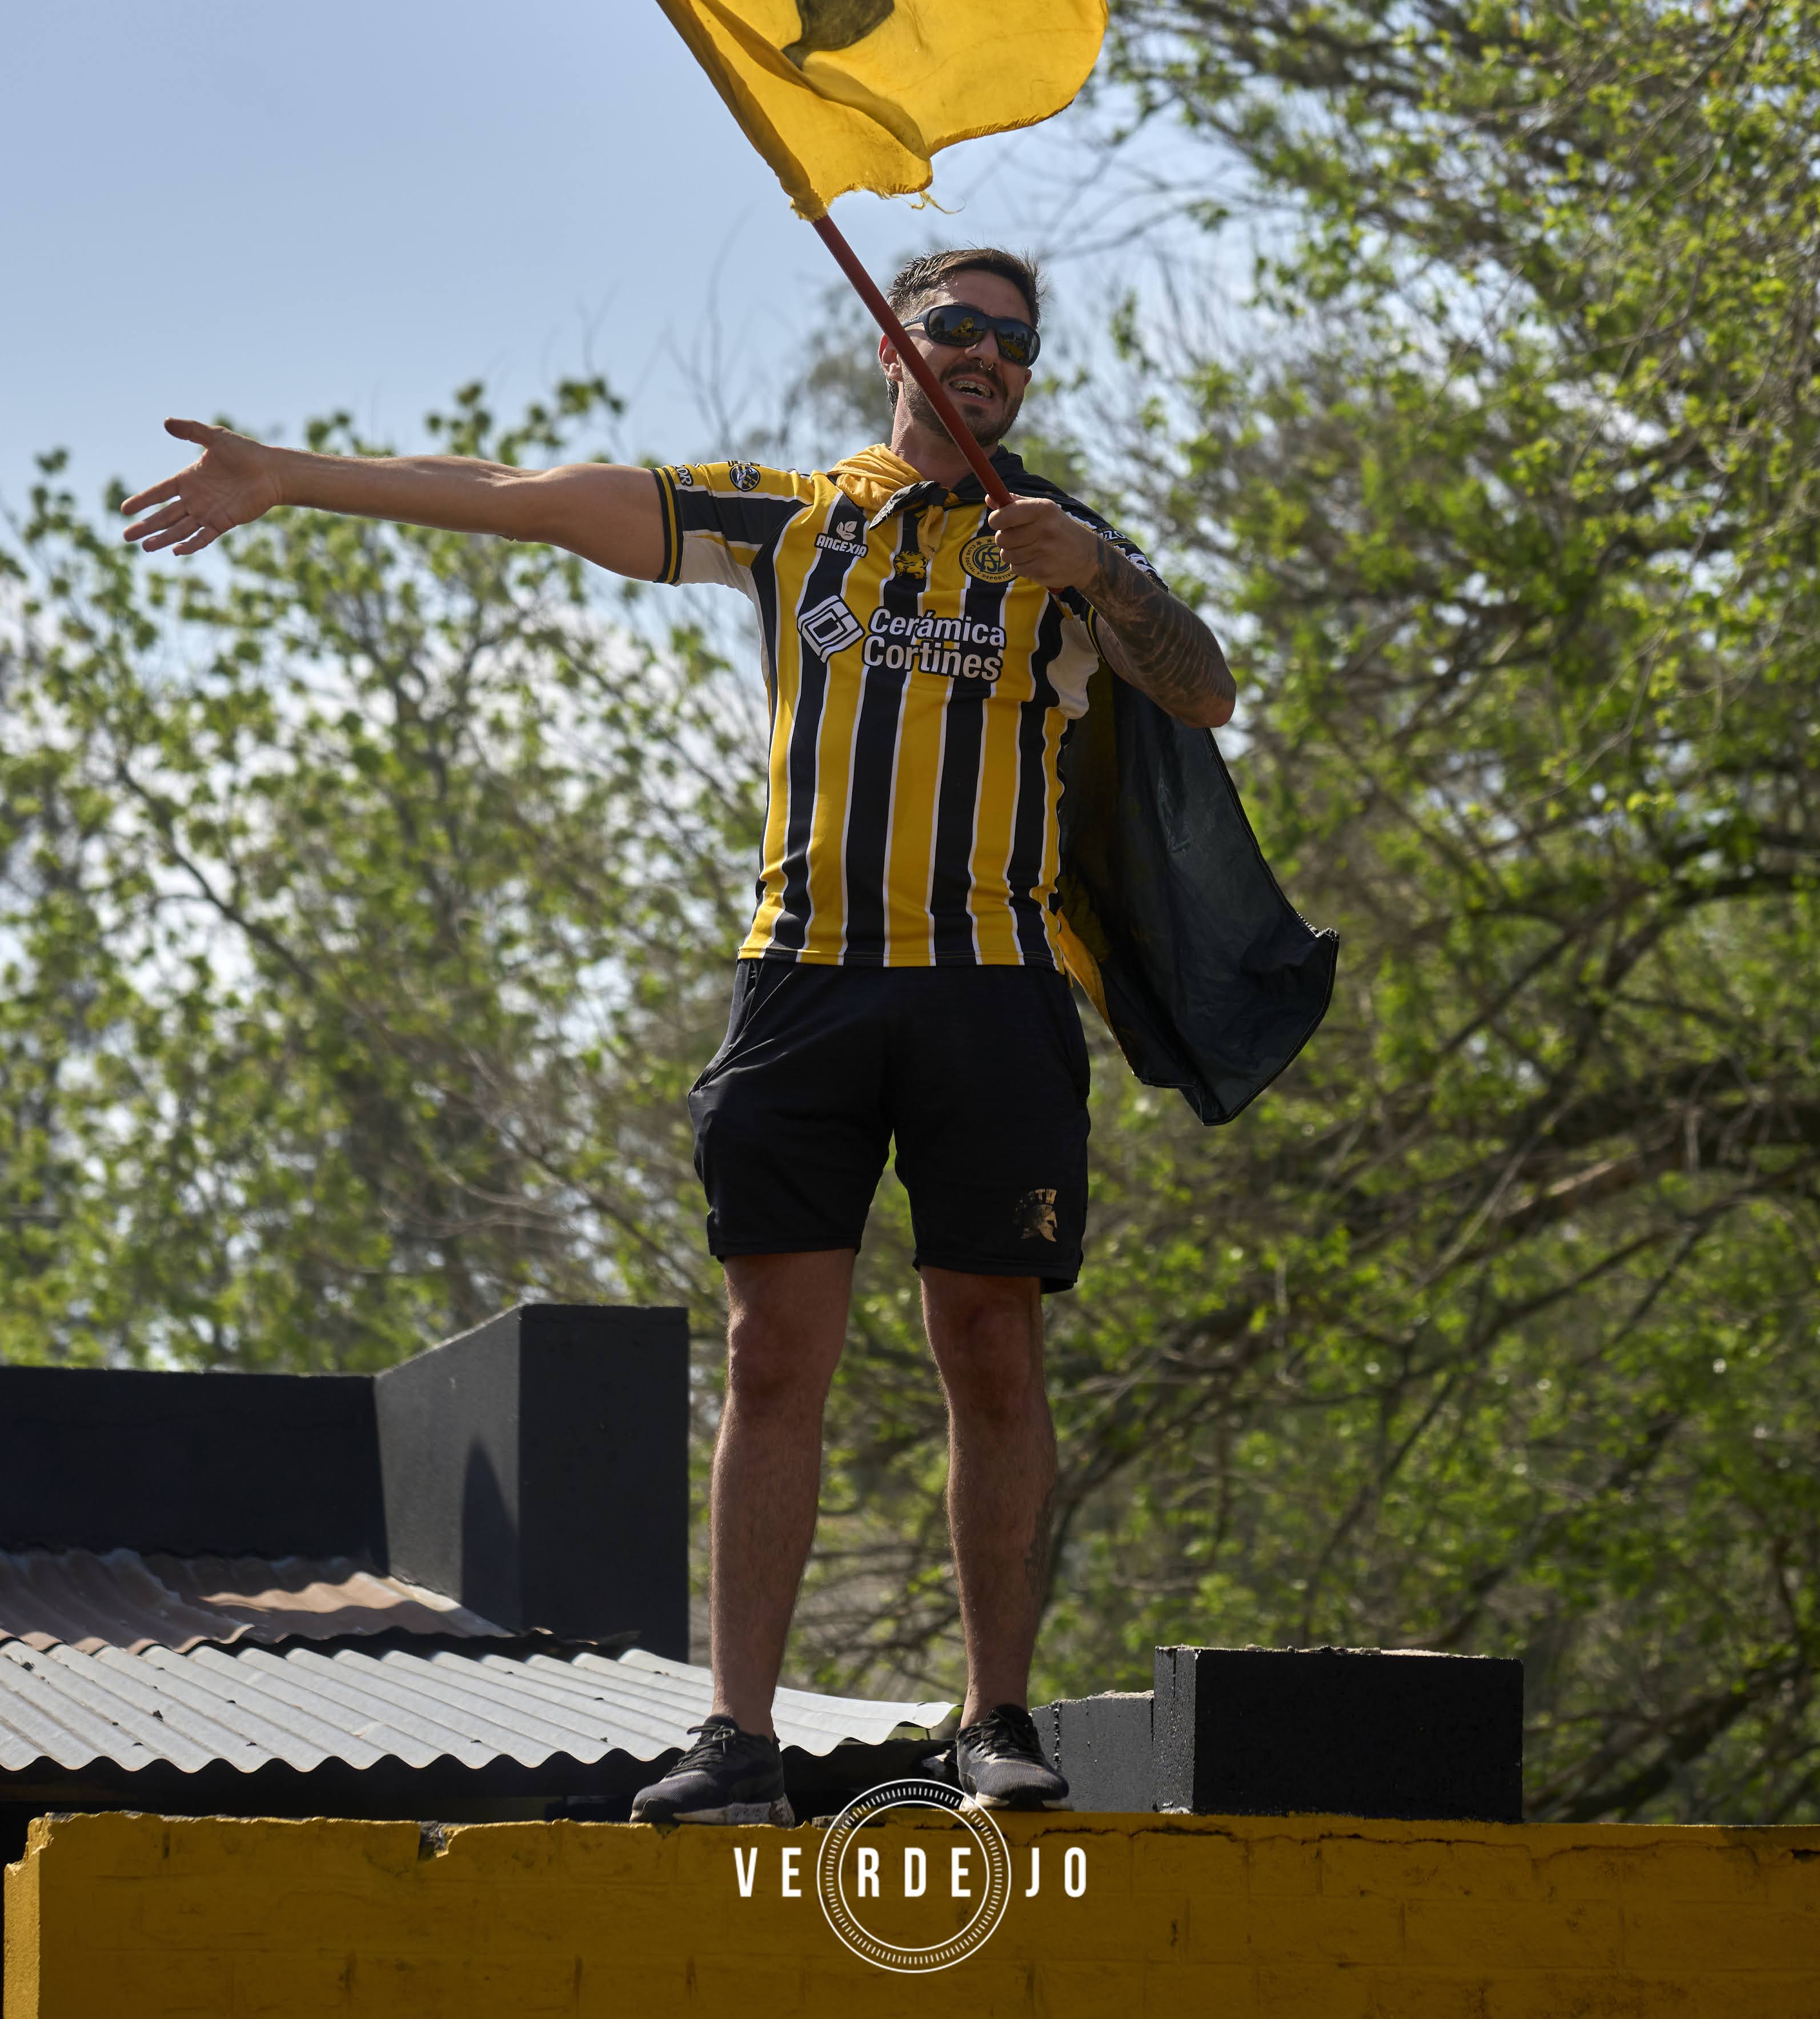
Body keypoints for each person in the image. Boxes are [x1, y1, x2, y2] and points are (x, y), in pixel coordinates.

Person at [121, 246, 1236, 1823]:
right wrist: (288, 476)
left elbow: (1204, 694)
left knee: (991, 1347)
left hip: (992, 989)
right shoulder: (792, 518)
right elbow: (525, 494)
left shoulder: (1064, 548)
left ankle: (994, 1722)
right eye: (954, 327)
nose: (985, 355)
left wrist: (1105, 577)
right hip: (804, 987)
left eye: (1013, 340)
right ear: (892, 347)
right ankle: (737, 1740)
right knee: (771, 1354)